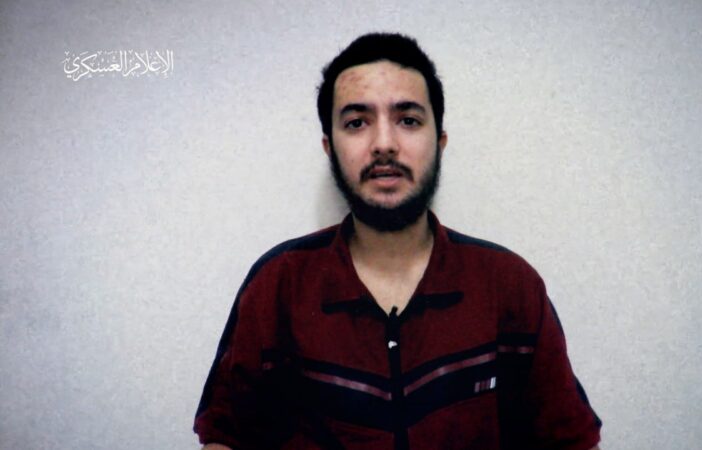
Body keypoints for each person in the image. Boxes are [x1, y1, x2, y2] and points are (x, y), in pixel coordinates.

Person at [194, 32, 602, 450]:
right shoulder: (277, 285)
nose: (384, 144)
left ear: (440, 142)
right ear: (329, 148)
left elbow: (571, 440)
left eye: (408, 120)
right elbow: (226, 437)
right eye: (357, 123)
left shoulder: (510, 286)